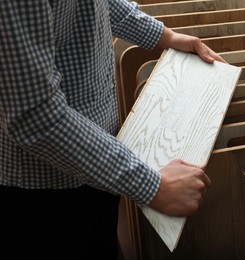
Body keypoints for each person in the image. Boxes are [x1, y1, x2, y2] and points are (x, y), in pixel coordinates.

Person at [0, 1, 224, 259]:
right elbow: (34, 115)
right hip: (43, 193)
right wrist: (152, 186)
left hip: (97, 164)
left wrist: (165, 36)